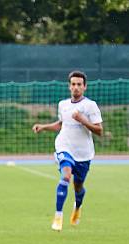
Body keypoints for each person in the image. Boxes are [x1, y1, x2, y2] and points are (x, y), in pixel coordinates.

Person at [32, 70, 103, 231]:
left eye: (79, 84)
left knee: (78, 187)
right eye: (73, 84)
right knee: (65, 175)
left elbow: (99, 131)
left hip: (83, 154)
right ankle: (58, 216)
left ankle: (77, 207)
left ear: (85, 87)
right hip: (64, 146)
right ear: (69, 86)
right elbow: (61, 124)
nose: (76, 87)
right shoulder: (63, 104)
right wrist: (43, 127)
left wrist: (83, 120)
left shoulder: (90, 106)